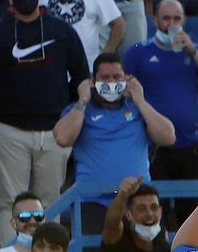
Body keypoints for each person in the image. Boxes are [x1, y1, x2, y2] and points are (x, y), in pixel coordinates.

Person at [0, 0, 89, 238]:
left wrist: (77, 112)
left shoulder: (62, 30)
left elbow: (82, 78)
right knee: (10, 201)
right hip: (8, 131)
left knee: (50, 201)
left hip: (55, 132)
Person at [53, 54, 176, 204]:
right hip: (92, 200)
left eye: (117, 77)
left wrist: (141, 101)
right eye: (105, 77)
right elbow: (63, 138)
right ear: (93, 81)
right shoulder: (79, 110)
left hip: (136, 199)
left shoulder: (138, 108)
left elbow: (168, 137)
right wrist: (83, 100)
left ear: (126, 79)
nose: (111, 82)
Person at [124, 0, 198, 179]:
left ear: (184, 20)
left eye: (177, 19)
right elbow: (124, 92)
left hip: (188, 141)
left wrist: (192, 50)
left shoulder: (195, 51)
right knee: (154, 203)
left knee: (192, 206)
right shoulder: (137, 52)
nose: (172, 24)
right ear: (155, 20)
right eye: (166, 19)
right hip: (151, 143)